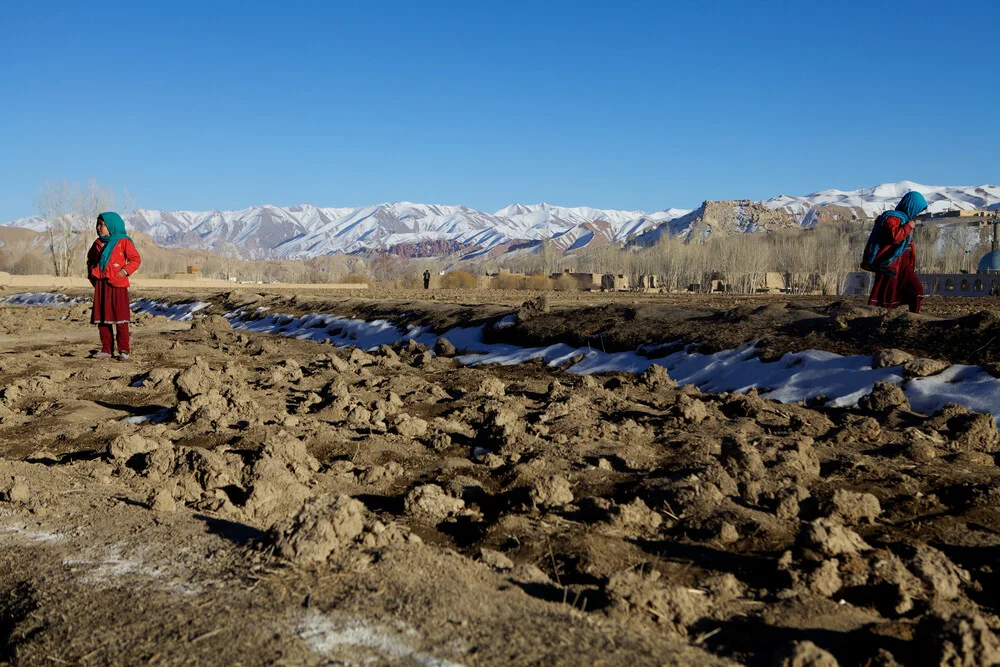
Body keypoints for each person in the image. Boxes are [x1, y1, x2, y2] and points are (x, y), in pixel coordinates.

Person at [86, 212, 141, 360]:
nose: (98, 228)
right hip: (101, 286)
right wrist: (92, 274)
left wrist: (123, 272)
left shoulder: (123, 242)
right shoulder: (97, 243)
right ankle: (106, 349)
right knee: (102, 319)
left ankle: (124, 350)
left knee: (121, 319)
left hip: (118, 285)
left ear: (111, 226)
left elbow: (135, 260)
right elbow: (90, 260)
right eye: (97, 224)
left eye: (102, 225)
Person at [867, 191, 927, 313]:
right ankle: (879, 321)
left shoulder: (905, 220)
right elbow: (895, 236)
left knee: (916, 290)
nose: (916, 214)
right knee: (887, 298)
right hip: (890, 264)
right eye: (917, 210)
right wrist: (908, 226)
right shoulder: (891, 218)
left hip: (903, 266)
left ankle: (914, 319)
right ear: (910, 206)